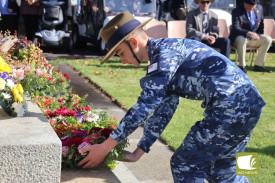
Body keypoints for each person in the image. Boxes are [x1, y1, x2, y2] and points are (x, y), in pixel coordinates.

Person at [78, 11, 265, 183]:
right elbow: (164, 109)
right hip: (250, 105)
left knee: (184, 163)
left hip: (231, 108)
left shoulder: (164, 56)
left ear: (133, 43)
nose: (123, 60)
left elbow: (144, 107)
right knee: (223, 171)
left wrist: (105, 147)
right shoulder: (162, 57)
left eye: (120, 53)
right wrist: (138, 152)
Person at [229, 0, 272, 73]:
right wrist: (247, 33)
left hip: (252, 38)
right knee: (242, 39)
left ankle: (259, 65)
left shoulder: (259, 8)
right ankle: (242, 66)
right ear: (245, 3)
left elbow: (261, 24)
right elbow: (236, 28)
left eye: (253, 6)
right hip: (238, 37)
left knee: (267, 39)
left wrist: (259, 35)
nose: (252, 8)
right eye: (250, 6)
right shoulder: (236, 11)